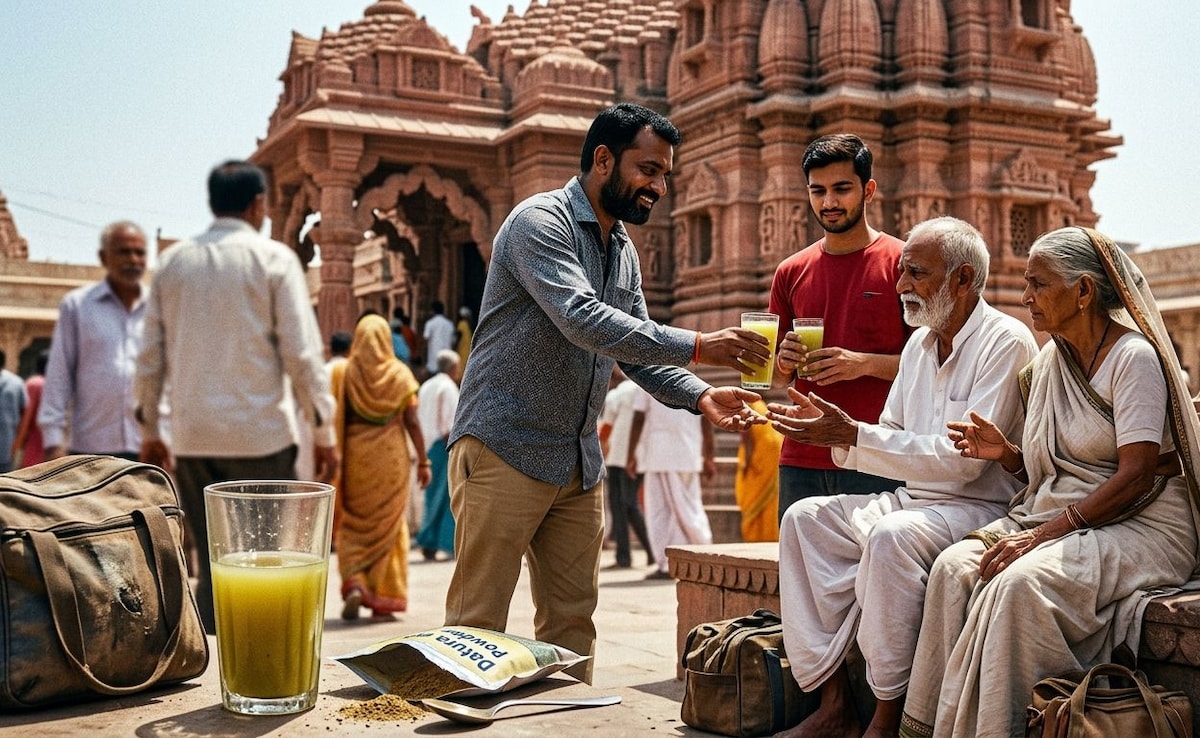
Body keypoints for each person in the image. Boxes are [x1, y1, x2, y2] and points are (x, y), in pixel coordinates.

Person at [445, 102, 769, 684]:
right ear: (602, 160)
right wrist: (700, 343)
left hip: (577, 460)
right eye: (649, 170)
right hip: (504, 447)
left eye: (666, 175)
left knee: (572, 624)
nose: (660, 187)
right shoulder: (538, 224)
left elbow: (632, 348)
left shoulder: (621, 249)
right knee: (478, 622)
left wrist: (700, 396)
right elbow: (582, 319)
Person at [901, 227, 1200, 738]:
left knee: (1019, 585)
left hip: (1146, 524)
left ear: (1084, 292)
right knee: (953, 570)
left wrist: (1041, 536)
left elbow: (1137, 475)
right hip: (1063, 515)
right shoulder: (1051, 362)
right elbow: (1055, 472)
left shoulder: (1134, 359)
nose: (1025, 297)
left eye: (1038, 284)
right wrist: (1010, 455)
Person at [764, 217, 1038, 738]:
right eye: (902, 271)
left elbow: (966, 461)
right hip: (914, 501)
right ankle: (835, 704)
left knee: (891, 539)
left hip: (979, 509)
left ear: (963, 280)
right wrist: (836, 435)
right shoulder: (917, 345)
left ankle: (888, 718)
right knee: (804, 521)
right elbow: (890, 429)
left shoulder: (1006, 342)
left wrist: (855, 436)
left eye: (916, 273)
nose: (901, 285)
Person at [134, 159, 337, 634]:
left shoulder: (172, 264)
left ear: (213, 204)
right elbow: (302, 355)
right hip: (260, 440)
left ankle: (213, 672)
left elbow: (149, 359)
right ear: (259, 203)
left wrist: (149, 430)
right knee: (270, 563)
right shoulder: (272, 259)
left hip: (194, 439)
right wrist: (324, 430)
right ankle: (263, 664)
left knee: (211, 563)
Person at [768, 134, 909, 518]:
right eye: (818, 191)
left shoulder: (901, 264)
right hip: (802, 456)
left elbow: (930, 365)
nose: (828, 202)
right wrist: (783, 364)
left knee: (873, 574)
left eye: (841, 189)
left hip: (877, 453)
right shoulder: (790, 271)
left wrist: (861, 363)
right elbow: (776, 381)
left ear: (869, 189)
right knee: (796, 575)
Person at [331, 314, 430, 620]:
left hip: (357, 459)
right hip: (391, 460)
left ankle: (356, 581)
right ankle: (381, 592)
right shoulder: (400, 375)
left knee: (354, 523)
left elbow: (339, 417)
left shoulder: (346, 374)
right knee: (389, 526)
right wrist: (423, 460)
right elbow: (412, 420)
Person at [38, 221, 148, 461]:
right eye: (124, 251)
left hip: (149, 447)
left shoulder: (158, 308)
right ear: (103, 257)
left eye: (140, 252)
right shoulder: (78, 305)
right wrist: (53, 441)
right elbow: (59, 374)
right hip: (91, 448)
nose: (133, 259)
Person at [627, 386, 716, 579]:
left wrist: (630, 454)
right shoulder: (693, 382)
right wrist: (708, 455)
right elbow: (707, 419)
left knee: (661, 511)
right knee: (685, 508)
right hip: (683, 454)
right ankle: (688, 557)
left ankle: (675, 562)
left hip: (661, 453)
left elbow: (638, 418)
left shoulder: (646, 378)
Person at [599, 368, 655, 569]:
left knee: (623, 505)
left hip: (618, 457)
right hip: (639, 457)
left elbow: (606, 427)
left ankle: (633, 555)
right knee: (626, 504)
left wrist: (601, 447)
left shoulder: (618, 393)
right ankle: (641, 553)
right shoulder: (647, 390)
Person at [416, 349, 461, 562]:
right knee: (445, 495)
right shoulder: (448, 388)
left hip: (426, 444)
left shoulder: (426, 386)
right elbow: (448, 424)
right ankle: (441, 542)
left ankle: (429, 541)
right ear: (453, 368)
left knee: (432, 495)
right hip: (442, 445)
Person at [735, 398, 784, 542]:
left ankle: (759, 539)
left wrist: (747, 463)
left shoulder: (746, 408)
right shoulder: (760, 405)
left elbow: (747, 436)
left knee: (755, 498)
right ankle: (771, 538)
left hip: (763, 454)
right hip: (775, 450)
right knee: (771, 500)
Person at [11, 350, 48, 468]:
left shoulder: (34, 384)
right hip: (53, 451)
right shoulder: (58, 385)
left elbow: (25, 419)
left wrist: (15, 447)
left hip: (32, 448)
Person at [0, 349, 27, 474]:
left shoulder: (16, 383)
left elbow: (25, 414)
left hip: (6, 449)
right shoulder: (17, 383)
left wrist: (17, 443)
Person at [422, 301, 456, 376]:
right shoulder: (450, 324)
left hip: (433, 361)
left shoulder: (430, 323)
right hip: (447, 362)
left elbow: (425, 340)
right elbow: (453, 342)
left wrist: (423, 360)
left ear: (432, 311)